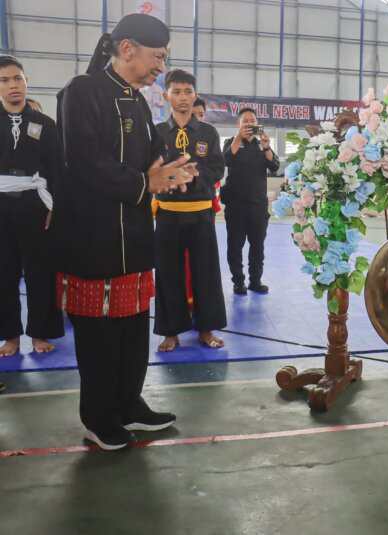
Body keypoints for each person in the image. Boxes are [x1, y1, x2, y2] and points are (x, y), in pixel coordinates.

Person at [54, 14, 197, 450]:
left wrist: (170, 170)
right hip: (92, 238)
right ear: (129, 48)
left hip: (133, 237)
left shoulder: (137, 101)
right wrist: (145, 183)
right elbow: (84, 162)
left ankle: (130, 404)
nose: (161, 67)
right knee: (98, 337)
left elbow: (151, 157)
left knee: (134, 330)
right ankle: (98, 417)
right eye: (158, 57)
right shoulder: (81, 92)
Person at [153, 69, 226, 352]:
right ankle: (170, 331)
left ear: (195, 95)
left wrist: (195, 175)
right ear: (165, 96)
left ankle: (206, 329)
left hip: (200, 212)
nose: (182, 98)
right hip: (168, 212)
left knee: (205, 271)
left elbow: (218, 168)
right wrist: (172, 176)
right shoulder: (157, 133)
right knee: (168, 272)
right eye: (177, 92)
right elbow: (151, 169)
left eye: (187, 92)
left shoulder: (208, 132)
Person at [0, 55, 64, 357]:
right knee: (4, 273)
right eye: (4, 80)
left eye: (17, 78)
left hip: (36, 204)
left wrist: (55, 207)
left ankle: (40, 332)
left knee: (40, 272)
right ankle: (9, 336)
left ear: (26, 81)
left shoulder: (45, 124)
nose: (13, 85)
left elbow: (57, 170)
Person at [221, 107, 280, 295]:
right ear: (238, 125)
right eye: (245, 121)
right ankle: (238, 282)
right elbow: (227, 159)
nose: (248, 123)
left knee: (257, 246)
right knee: (235, 246)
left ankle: (255, 281)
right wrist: (239, 137)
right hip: (235, 206)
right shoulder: (231, 142)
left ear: (257, 124)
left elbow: (274, 166)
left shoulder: (262, 145)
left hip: (257, 206)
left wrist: (267, 146)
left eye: (252, 120)